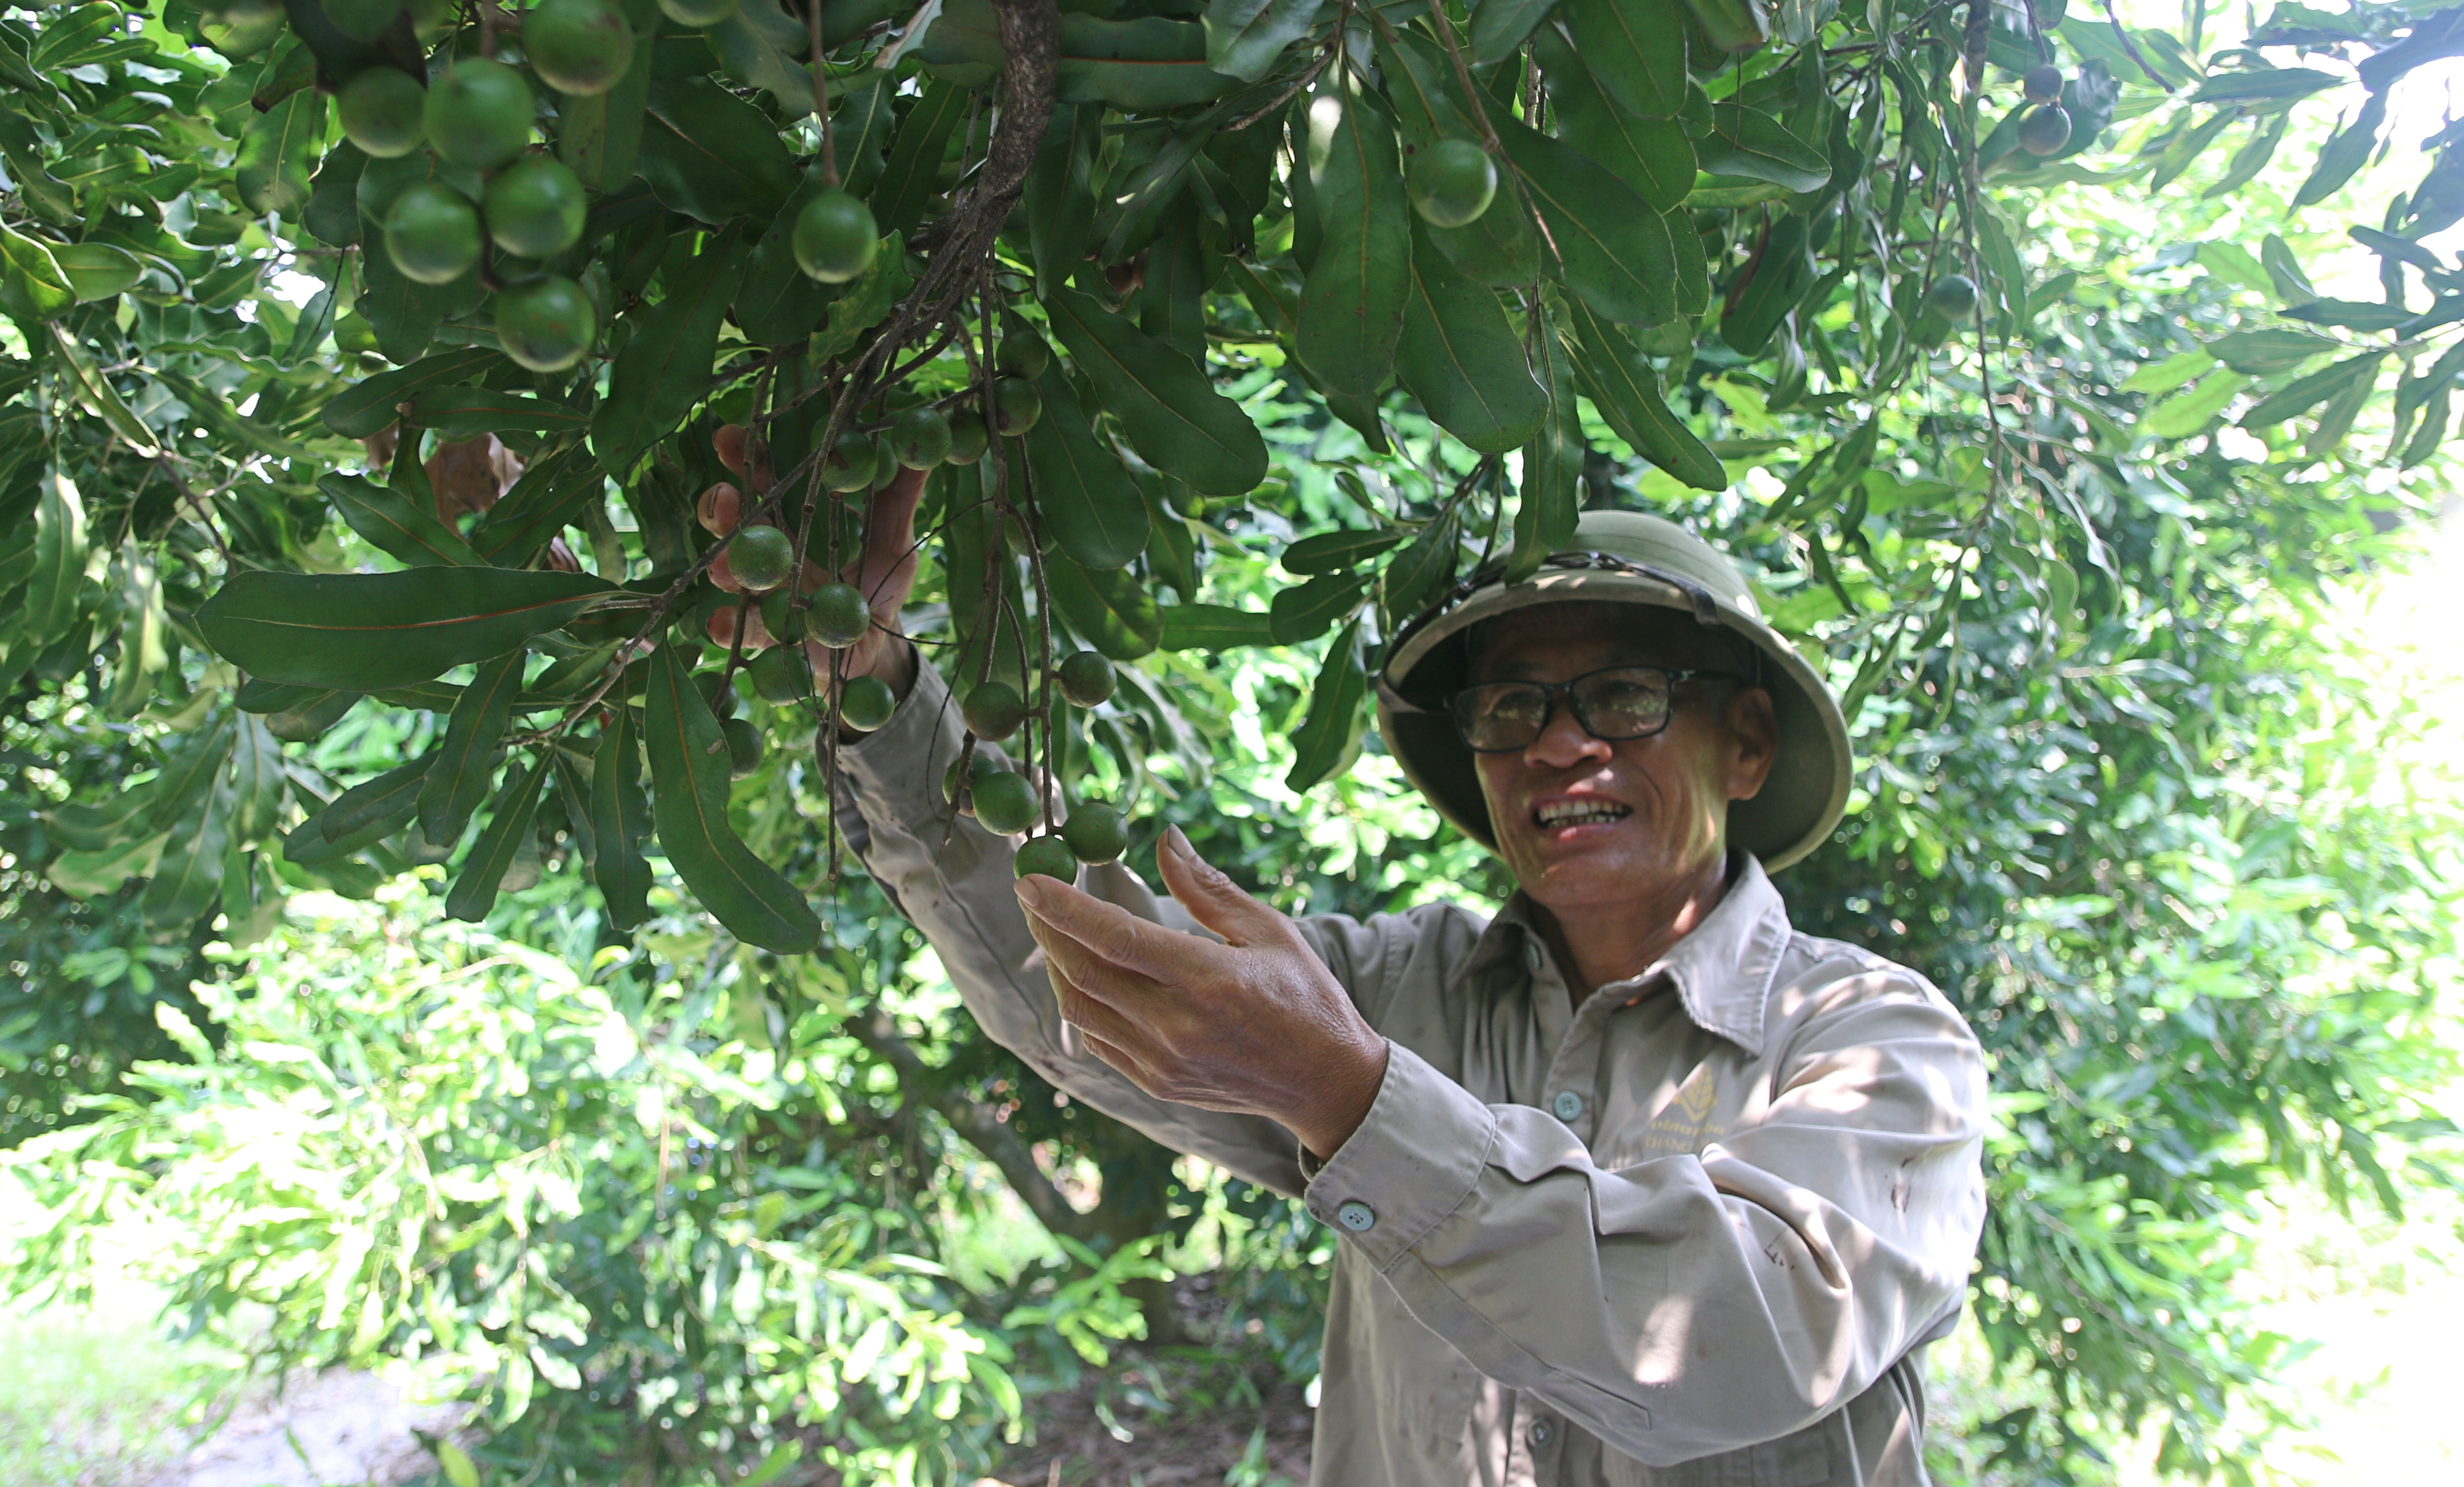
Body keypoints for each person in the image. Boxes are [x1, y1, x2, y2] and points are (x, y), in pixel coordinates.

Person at [704, 462, 1988, 1487]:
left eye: (1627, 696)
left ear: (1747, 743)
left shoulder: (1872, 1042)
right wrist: (876, 685)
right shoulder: (1396, 988)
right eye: (1512, 710)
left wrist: (1358, 1103)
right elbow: (1091, 984)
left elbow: (1739, 1339)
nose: (1561, 747)